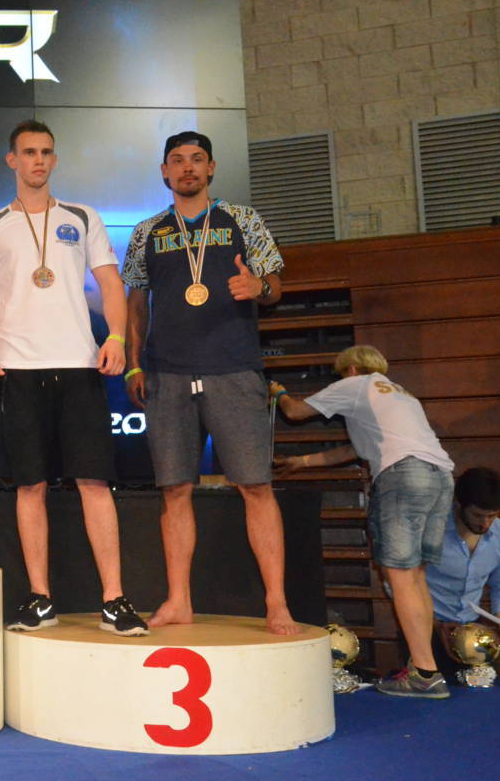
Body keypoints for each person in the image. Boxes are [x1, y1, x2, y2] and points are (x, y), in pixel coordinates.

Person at [0, 120, 147, 635]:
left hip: (79, 365)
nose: (38, 160)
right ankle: (40, 598)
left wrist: (115, 338)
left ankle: (115, 600)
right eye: (28, 152)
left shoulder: (83, 217)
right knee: (30, 485)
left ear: (55, 159)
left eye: (45, 152)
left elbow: (111, 283)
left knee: (95, 482)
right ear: (12, 160)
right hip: (17, 368)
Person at [121, 131, 300, 635]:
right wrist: (134, 364)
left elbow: (276, 286)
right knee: (174, 490)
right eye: (177, 160)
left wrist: (258, 287)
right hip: (168, 372)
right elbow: (136, 302)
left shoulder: (243, 219)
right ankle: (179, 600)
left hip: (234, 367)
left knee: (256, 486)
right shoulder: (147, 231)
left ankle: (277, 603)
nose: (187, 168)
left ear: (211, 167)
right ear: (164, 171)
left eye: (197, 159)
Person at [271, 344, 456, 697]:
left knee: (399, 576)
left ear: (352, 369)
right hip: (439, 476)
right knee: (416, 576)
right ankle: (426, 667)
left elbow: (294, 412)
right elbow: (356, 449)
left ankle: (424, 673)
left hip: (402, 475)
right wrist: (302, 462)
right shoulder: (400, 394)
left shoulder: (356, 384)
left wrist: (278, 392)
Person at [426, 468, 500, 680]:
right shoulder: (430, 530)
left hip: (471, 630)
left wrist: (499, 620)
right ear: (459, 504)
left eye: (492, 516)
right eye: (477, 515)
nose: (485, 523)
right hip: (426, 627)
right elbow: (403, 583)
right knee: (433, 693)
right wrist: (433, 623)